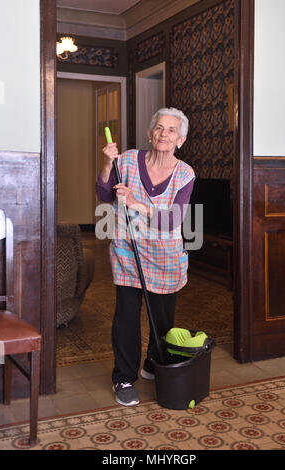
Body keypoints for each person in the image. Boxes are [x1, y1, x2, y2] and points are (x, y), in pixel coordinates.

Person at [95, 107, 195, 406]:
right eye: (159, 128)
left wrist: (138, 204)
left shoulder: (185, 173)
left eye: (171, 130)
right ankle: (124, 377)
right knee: (126, 315)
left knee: (162, 320)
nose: (164, 134)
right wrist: (106, 163)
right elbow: (104, 195)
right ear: (150, 133)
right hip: (128, 250)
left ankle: (154, 362)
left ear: (181, 139)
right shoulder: (125, 160)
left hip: (166, 256)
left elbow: (173, 219)